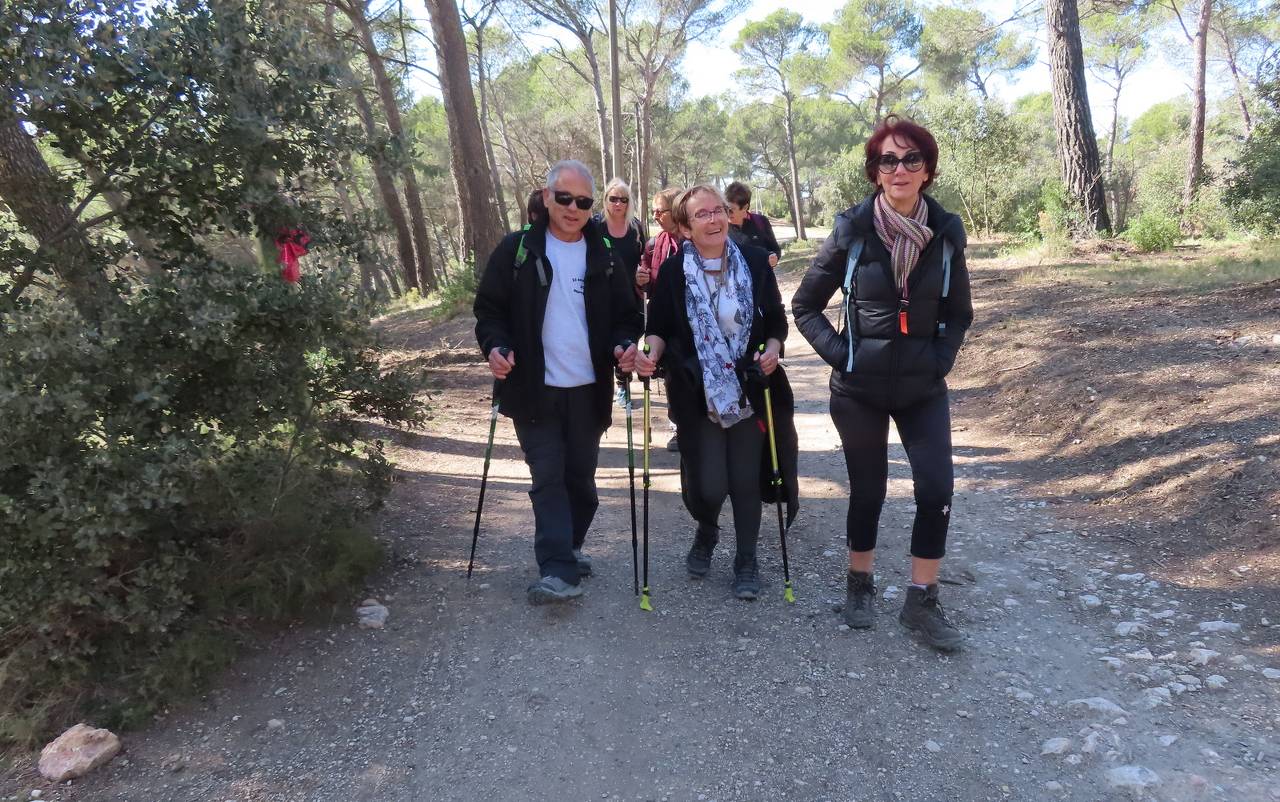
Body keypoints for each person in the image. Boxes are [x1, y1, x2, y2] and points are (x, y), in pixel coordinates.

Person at [791, 116, 973, 650]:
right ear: (875, 171)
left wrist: (938, 361)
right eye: (887, 160)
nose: (899, 169)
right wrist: (843, 356)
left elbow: (959, 313)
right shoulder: (851, 231)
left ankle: (922, 602)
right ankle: (860, 585)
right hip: (859, 391)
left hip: (922, 388)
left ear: (927, 170)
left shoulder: (944, 235)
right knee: (868, 489)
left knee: (936, 488)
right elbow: (804, 306)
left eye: (910, 159)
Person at [474, 160, 642, 605]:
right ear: (546, 197)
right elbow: (489, 311)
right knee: (547, 476)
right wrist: (494, 346)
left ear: (592, 207)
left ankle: (569, 545)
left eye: (583, 202)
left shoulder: (603, 253)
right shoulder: (516, 250)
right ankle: (558, 569)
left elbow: (628, 315)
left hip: (589, 389)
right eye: (564, 198)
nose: (573, 208)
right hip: (532, 388)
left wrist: (624, 344)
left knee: (581, 483)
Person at [635, 185, 790, 601]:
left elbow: (776, 323)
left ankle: (746, 559)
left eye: (718, 210)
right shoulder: (671, 273)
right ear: (684, 227)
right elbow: (660, 330)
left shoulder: (755, 262)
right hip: (695, 391)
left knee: (743, 480)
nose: (714, 219)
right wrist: (649, 354)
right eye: (702, 214)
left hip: (747, 389)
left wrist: (772, 351)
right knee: (708, 484)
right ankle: (707, 529)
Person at [637, 186, 685, 452]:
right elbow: (646, 281)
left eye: (660, 211)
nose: (655, 216)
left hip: (692, 324)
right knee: (670, 376)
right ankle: (678, 426)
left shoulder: (694, 242)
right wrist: (640, 280)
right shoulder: (654, 244)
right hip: (664, 324)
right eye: (653, 211)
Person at [595, 178, 646, 283]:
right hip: (602, 293)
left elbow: (643, 260)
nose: (618, 204)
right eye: (613, 199)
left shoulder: (635, 227)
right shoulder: (596, 225)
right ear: (606, 200)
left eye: (623, 200)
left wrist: (642, 274)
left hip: (631, 294)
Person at [725, 181, 781, 267]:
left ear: (745, 207)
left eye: (731, 210)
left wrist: (774, 258)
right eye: (725, 209)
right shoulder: (721, 227)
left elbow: (775, 250)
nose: (727, 213)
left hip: (764, 279)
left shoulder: (761, 221)